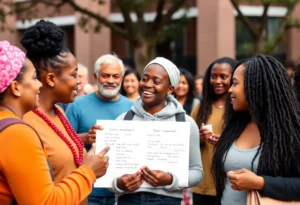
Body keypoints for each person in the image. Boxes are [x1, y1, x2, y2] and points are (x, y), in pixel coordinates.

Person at [0, 40, 110, 205]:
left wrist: (84, 140)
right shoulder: (17, 132)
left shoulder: (56, 112)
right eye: (34, 78)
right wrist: (88, 172)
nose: (39, 84)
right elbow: (45, 202)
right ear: (16, 87)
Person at [19, 20, 103, 205]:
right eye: (73, 75)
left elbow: (61, 149)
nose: (79, 82)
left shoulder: (58, 112)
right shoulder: (26, 123)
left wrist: (87, 142)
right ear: (51, 79)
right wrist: (88, 171)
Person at [111, 57, 203, 205]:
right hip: (128, 200)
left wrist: (171, 179)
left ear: (170, 89)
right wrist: (119, 183)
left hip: (168, 200)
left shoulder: (185, 123)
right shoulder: (123, 120)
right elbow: (108, 173)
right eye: (144, 79)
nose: (147, 85)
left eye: (156, 81)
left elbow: (197, 172)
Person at [212, 55, 300, 205]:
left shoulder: (291, 132)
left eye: (235, 83)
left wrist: (261, 183)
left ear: (255, 87)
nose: (230, 90)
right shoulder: (235, 126)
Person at [66, 54, 134, 205]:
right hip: (88, 190)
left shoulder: (133, 107)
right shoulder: (77, 105)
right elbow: (62, 141)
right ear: (96, 76)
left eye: (115, 76)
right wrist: (85, 138)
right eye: (105, 75)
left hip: (122, 191)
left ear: (122, 78)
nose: (110, 80)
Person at [191, 57, 237, 205]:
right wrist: (198, 138)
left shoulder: (239, 109)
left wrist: (226, 141)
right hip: (202, 185)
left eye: (223, 77)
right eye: (213, 76)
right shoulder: (200, 107)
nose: (218, 81)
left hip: (231, 184)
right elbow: (186, 145)